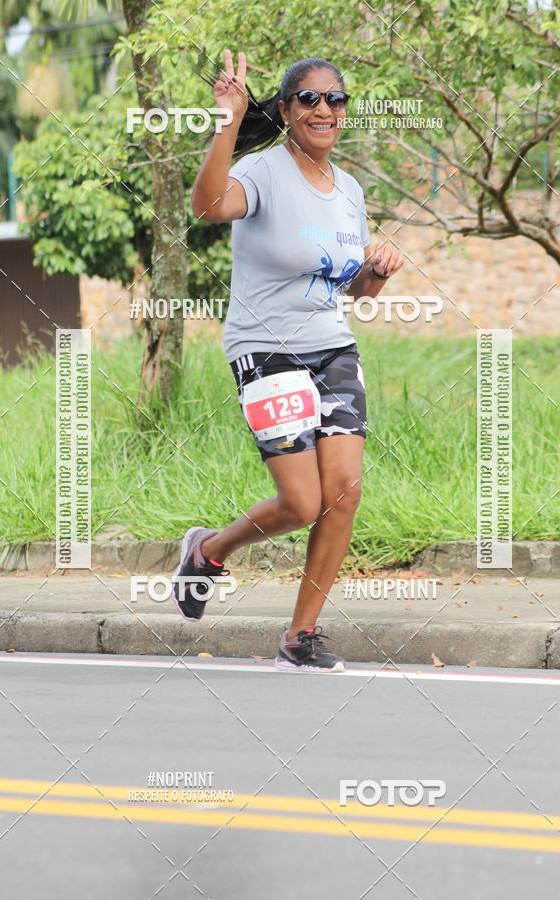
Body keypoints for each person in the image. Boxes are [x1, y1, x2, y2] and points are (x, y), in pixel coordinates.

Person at [173, 50, 404, 672]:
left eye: (336, 99)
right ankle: (209, 551)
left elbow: (354, 291)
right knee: (302, 504)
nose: (325, 109)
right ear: (285, 110)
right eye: (310, 99)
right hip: (266, 349)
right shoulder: (263, 172)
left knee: (344, 493)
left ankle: (299, 638)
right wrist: (227, 120)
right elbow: (207, 206)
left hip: (332, 347)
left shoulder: (350, 191)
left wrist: (377, 272)